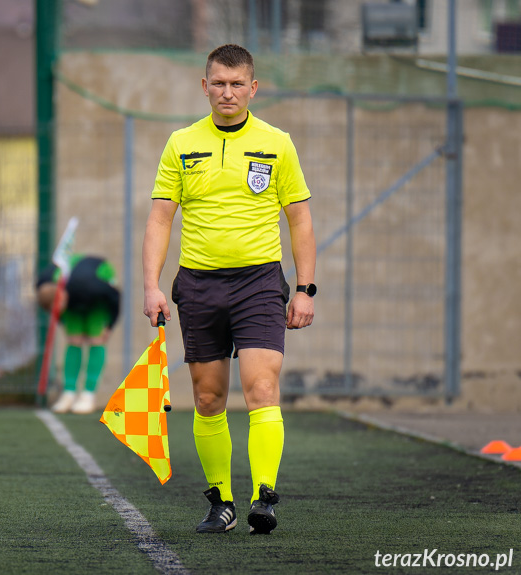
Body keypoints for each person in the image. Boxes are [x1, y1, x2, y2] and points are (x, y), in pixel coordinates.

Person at [142, 44, 316, 535]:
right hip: (197, 284)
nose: (228, 92)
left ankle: (265, 497)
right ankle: (221, 502)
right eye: (219, 83)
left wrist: (306, 288)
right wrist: (151, 286)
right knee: (208, 397)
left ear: (253, 88)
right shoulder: (180, 143)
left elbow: (299, 218)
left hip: (259, 282)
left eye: (238, 83)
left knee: (262, 386)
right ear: (205, 87)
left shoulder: (277, 143)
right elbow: (160, 218)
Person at [37, 254, 121, 414]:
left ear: (61, 297)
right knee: (74, 339)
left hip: (98, 286)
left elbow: (115, 297)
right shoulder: (44, 283)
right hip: (73, 293)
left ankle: (88, 394)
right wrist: (62, 319)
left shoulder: (92, 287)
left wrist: (109, 326)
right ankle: (68, 392)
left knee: (96, 339)